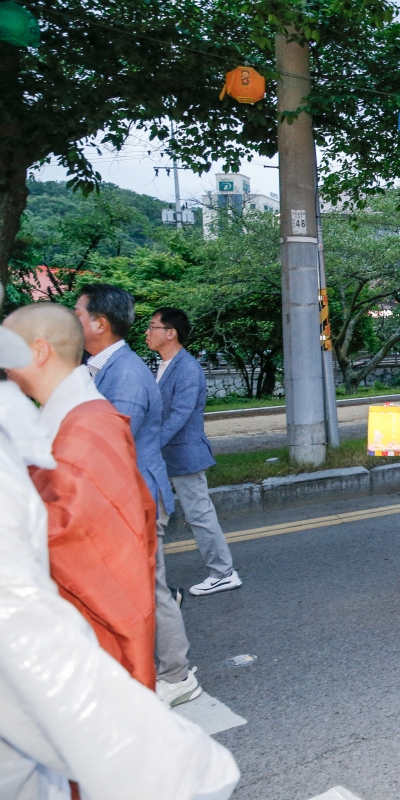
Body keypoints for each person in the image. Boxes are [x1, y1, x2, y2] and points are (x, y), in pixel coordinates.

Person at [0, 328, 241, 800]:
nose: (150, 331)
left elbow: (137, 432)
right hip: (136, 482)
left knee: (157, 577)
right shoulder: (113, 375)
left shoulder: (129, 376)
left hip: (148, 478)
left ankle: (178, 666)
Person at [3, 304, 159, 689]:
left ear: (39, 352)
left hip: (86, 632)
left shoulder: (88, 426)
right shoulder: (68, 416)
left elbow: (76, 538)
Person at [74, 284, 199, 706]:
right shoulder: (102, 367)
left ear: (100, 324)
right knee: (135, 586)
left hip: (137, 495)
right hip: (125, 495)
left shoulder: (124, 373)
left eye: (78, 314)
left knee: (151, 587)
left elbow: (113, 442)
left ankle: (177, 674)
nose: (72, 323)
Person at [145, 307, 240, 596]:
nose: (147, 333)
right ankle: (147, 575)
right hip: (163, 455)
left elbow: (180, 414)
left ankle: (224, 573)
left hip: (184, 454)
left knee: (199, 514)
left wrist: (150, 442)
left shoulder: (186, 367)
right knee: (155, 514)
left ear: (170, 333)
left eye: (152, 327)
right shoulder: (164, 365)